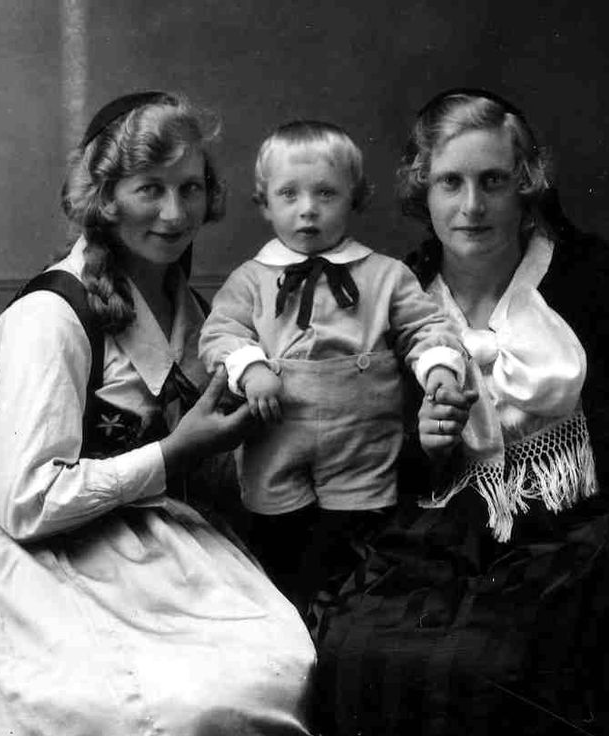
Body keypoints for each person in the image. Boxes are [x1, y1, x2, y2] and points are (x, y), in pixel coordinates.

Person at [313, 88, 609, 736]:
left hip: (569, 535)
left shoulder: (591, 277)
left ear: (524, 182)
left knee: (487, 665)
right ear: (420, 189)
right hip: (429, 537)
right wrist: (420, 444)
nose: (471, 206)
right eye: (450, 183)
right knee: (356, 652)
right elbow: (358, 450)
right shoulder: (393, 293)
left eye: (493, 181)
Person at [0, 91, 317, 736]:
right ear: (105, 197)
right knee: (158, 705)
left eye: (189, 188)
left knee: (275, 667)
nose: (173, 213)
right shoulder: (51, 315)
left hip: (160, 546)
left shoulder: (196, 311)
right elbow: (24, 501)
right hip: (50, 560)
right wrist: (173, 453)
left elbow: (210, 465)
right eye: (149, 189)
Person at [198, 120, 467, 609]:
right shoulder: (251, 279)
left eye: (326, 193)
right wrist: (251, 368)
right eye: (289, 194)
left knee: (356, 558)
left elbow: (427, 326)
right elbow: (220, 334)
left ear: (354, 198)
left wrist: (440, 371)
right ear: (264, 203)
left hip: (362, 447)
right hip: (276, 444)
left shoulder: (386, 275)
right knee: (281, 555)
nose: (307, 209)